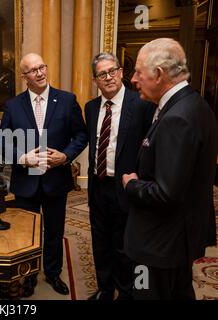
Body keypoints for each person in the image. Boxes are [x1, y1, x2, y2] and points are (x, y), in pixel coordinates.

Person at [122, 38, 217, 300]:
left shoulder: (177, 118)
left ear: (159, 74)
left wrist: (131, 184)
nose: (133, 79)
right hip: (176, 241)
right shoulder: (195, 105)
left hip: (158, 246)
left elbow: (166, 193)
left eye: (139, 72)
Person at [0, 53, 88, 297]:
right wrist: (22, 158)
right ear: (24, 76)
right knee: (27, 232)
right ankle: (28, 275)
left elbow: (81, 135)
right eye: (33, 70)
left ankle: (53, 272)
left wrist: (66, 156)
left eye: (42, 67)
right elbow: (1, 142)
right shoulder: (13, 105)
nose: (40, 73)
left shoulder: (67, 100)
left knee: (55, 231)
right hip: (26, 181)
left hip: (55, 179)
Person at [85, 53, 155, 300]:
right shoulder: (91, 108)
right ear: (95, 80)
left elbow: (150, 147)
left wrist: (143, 180)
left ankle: (125, 292)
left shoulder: (142, 104)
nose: (109, 77)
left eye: (112, 71)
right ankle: (105, 289)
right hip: (97, 185)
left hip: (125, 186)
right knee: (100, 242)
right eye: (102, 74)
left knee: (124, 245)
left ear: (121, 71)